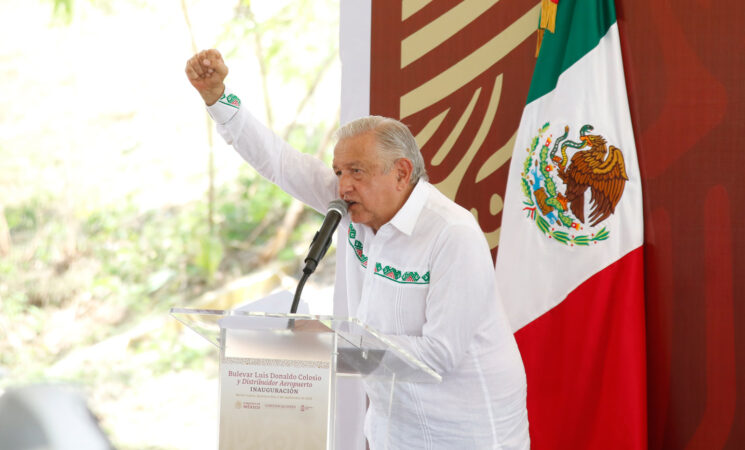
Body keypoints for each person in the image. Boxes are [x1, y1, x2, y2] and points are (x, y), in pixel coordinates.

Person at [185, 49, 530, 450]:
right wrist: (217, 97)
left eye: (357, 172)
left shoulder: (452, 234)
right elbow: (278, 162)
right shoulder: (350, 207)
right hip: (391, 429)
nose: (343, 185)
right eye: (338, 172)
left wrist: (331, 344)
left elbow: (439, 355)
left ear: (401, 172)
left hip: (469, 433)